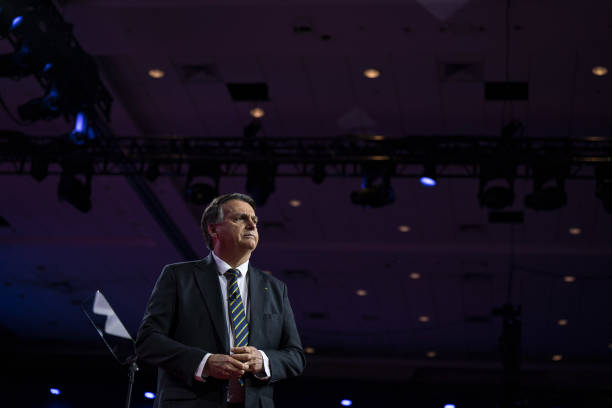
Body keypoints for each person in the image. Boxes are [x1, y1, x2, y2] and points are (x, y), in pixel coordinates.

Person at [136, 193, 305, 408]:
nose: (252, 225)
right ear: (213, 229)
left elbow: (295, 356)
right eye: (240, 219)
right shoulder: (179, 277)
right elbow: (148, 341)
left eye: (254, 220)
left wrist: (264, 360)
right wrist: (204, 362)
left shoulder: (275, 288)